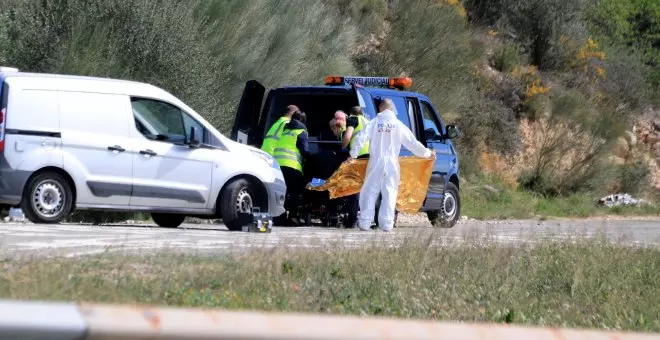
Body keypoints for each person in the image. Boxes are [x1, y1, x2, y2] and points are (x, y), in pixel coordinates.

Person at [349, 98, 433, 232]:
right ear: (392, 109)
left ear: (380, 109)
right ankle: (387, 224)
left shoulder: (374, 123)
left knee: (370, 191)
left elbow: (360, 138)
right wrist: (427, 154)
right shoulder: (398, 125)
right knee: (390, 192)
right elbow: (412, 143)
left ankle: (365, 222)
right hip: (392, 162)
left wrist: (353, 155)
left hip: (376, 161)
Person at [273, 110, 310, 225]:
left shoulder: (284, 131)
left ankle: (279, 217)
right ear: (303, 121)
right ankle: (293, 217)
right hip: (292, 166)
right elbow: (304, 150)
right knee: (295, 192)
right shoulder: (301, 132)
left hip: (278, 166)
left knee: (282, 192)